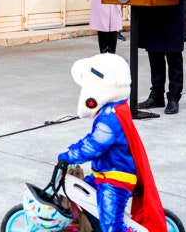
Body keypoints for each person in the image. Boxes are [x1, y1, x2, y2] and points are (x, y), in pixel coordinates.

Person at [57, 53, 166, 232]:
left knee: (111, 227)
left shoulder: (110, 118)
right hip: (104, 173)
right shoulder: (114, 109)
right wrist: (72, 150)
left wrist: (68, 156)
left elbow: (94, 145)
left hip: (115, 178)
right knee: (80, 195)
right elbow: (91, 140)